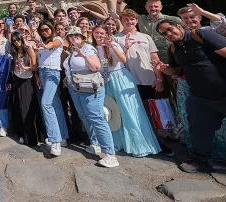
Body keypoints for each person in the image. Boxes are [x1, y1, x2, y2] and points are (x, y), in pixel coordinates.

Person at [155, 20, 226, 173]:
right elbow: (178, 72)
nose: (168, 34)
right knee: (198, 129)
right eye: (164, 33)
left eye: (169, 29)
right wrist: (165, 69)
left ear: (179, 26)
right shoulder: (173, 49)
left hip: (223, 92)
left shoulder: (200, 35)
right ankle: (200, 161)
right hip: (200, 97)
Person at [91, 25, 160, 157]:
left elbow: (123, 59)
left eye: (102, 33)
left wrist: (111, 46)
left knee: (128, 110)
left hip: (120, 78)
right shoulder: (93, 48)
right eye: (96, 33)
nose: (99, 35)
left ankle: (138, 144)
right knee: (114, 113)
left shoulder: (113, 44)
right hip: (107, 81)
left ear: (107, 34)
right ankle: (120, 143)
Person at [113, 9, 173, 156]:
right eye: (126, 19)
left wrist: (159, 78)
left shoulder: (145, 37)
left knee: (152, 113)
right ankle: (140, 142)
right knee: (135, 114)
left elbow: (155, 59)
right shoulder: (115, 39)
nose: (129, 22)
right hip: (127, 82)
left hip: (148, 79)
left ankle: (157, 141)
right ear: (121, 20)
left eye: (132, 19)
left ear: (136, 21)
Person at [176, 4, 226, 158]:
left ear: (199, 18)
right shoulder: (182, 37)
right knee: (199, 122)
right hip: (196, 87)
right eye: (185, 18)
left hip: (220, 85)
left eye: (192, 17)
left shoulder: (208, 31)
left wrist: (203, 11)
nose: (189, 20)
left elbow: (223, 23)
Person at [63, 27, 118, 167]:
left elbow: (95, 66)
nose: (74, 38)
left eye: (77, 36)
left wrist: (84, 56)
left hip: (89, 87)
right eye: (71, 36)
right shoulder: (71, 51)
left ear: (82, 37)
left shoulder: (88, 49)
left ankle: (110, 154)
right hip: (76, 87)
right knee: (84, 116)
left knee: (96, 118)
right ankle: (95, 144)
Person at [116, 0, 179, 65]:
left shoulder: (172, 20)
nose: (153, 8)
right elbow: (122, 15)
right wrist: (119, 2)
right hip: (150, 60)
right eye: (150, 6)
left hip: (170, 59)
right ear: (146, 7)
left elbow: (187, 28)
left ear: (161, 7)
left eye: (156, 6)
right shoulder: (141, 19)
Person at [34, 21, 68, 156]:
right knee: (55, 104)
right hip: (42, 73)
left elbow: (52, 45)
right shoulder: (41, 44)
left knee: (46, 104)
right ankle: (63, 135)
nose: (44, 32)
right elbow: (39, 61)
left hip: (52, 73)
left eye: (47, 29)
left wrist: (45, 45)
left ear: (52, 28)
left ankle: (55, 140)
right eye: (41, 30)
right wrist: (37, 75)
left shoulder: (56, 39)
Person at [10, 32, 42, 147]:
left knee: (27, 108)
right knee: (18, 108)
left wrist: (25, 67)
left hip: (27, 81)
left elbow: (35, 66)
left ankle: (31, 137)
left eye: (17, 39)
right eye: (13, 41)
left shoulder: (28, 49)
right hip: (16, 80)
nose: (16, 42)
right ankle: (22, 133)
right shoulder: (13, 51)